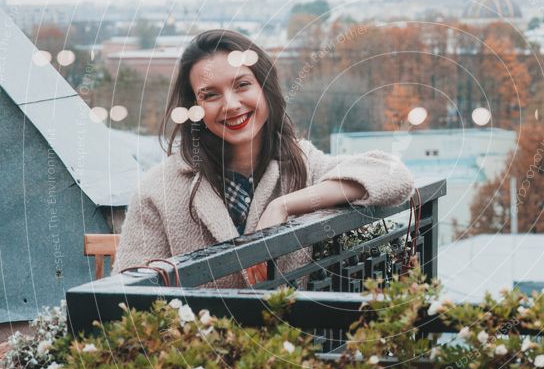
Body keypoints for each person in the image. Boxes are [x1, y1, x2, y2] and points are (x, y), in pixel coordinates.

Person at [111, 29, 415, 288]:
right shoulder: (158, 189)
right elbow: (128, 295)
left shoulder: (300, 164)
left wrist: (283, 205)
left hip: (289, 349)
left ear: (265, 88)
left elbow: (391, 174)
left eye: (242, 85)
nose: (230, 105)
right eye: (210, 95)